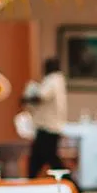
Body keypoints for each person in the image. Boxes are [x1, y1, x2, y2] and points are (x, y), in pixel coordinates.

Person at [24, 57, 77, 185]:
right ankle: (30, 181)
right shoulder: (59, 80)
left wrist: (26, 98)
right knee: (38, 158)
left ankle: (73, 185)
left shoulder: (52, 79)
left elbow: (41, 96)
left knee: (50, 158)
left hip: (48, 127)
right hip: (50, 126)